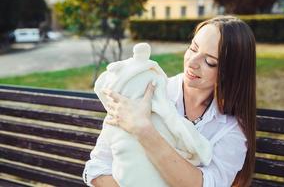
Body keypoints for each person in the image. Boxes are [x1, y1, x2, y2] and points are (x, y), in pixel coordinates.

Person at [82, 15, 256, 187]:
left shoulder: (229, 128)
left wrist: (143, 130)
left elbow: (209, 184)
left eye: (210, 61)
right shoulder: (145, 89)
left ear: (230, 72)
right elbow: (98, 167)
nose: (192, 62)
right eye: (193, 49)